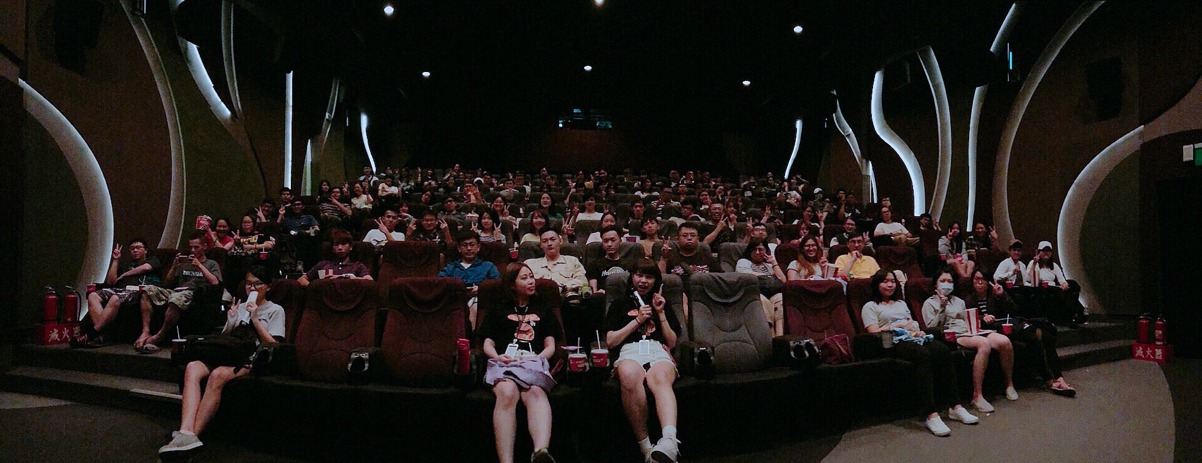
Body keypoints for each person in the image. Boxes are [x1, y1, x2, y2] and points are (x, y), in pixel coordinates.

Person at [158, 266, 285, 457]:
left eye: (258, 284)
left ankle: (191, 435)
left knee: (217, 375)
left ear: (268, 286)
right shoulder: (239, 305)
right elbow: (226, 340)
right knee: (192, 367)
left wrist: (255, 319)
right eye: (249, 284)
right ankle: (186, 431)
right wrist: (231, 321)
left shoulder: (275, 310)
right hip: (228, 354)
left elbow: (274, 344)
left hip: (250, 358)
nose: (252, 288)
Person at [860, 270, 978, 436]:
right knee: (923, 354)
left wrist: (917, 331)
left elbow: (911, 323)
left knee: (942, 350)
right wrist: (896, 326)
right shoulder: (870, 306)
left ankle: (955, 406)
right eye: (885, 281)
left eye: (892, 281)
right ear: (876, 285)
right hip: (891, 342)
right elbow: (873, 331)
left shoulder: (901, 303)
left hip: (912, 336)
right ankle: (930, 414)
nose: (890, 285)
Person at [479, 263, 562, 463]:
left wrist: (538, 358)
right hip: (504, 362)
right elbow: (487, 344)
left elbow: (550, 346)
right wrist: (497, 357)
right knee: (507, 392)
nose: (531, 281)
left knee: (536, 392)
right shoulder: (498, 309)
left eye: (531, 276)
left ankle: (541, 452)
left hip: (532, 361)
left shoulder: (543, 309)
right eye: (524, 278)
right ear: (512, 285)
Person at [604, 261, 682, 463]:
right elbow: (610, 341)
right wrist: (637, 321)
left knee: (661, 377)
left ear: (656, 281)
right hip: (630, 350)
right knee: (629, 375)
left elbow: (672, 342)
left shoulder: (662, 303)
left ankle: (669, 442)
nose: (643, 281)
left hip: (657, 349)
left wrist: (660, 313)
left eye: (649, 277)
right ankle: (647, 449)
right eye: (639, 275)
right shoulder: (619, 303)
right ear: (632, 277)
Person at [964, 268, 1076, 397]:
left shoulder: (994, 295)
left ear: (988, 282)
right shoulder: (969, 299)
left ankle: (1058, 377)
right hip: (995, 331)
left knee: (1046, 337)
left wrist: (1002, 295)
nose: (980, 282)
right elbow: (969, 317)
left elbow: (1013, 310)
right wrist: (983, 317)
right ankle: (1050, 380)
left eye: (983, 279)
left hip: (1011, 325)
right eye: (977, 279)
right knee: (1033, 340)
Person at [923, 268, 1017, 413]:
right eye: (943, 281)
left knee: (1004, 341)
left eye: (950, 281)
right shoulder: (929, 303)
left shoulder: (959, 301)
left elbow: (968, 319)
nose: (946, 284)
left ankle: (1009, 384)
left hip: (971, 330)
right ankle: (977, 396)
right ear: (936, 284)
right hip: (954, 334)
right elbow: (931, 327)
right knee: (984, 343)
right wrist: (942, 307)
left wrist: (980, 326)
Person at [137, 231, 223, 352]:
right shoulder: (185, 263)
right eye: (191, 247)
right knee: (147, 290)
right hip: (176, 291)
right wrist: (174, 267)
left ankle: (160, 335)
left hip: (193, 294)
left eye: (196, 247)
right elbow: (167, 283)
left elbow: (215, 282)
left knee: (176, 299)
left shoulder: (211, 264)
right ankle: (145, 331)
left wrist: (199, 265)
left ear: (204, 247)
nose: (192, 250)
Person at [74, 239, 162, 347]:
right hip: (119, 289)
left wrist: (125, 274)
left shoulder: (153, 260)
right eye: (132, 249)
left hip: (136, 291)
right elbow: (111, 281)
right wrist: (115, 260)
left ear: (146, 250)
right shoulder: (126, 264)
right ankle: (104, 335)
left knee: (114, 298)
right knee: (93, 296)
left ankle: (91, 335)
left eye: (138, 247)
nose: (135, 250)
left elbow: (146, 268)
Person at [439, 232, 501, 329]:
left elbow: (498, 284)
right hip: (456, 301)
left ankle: (471, 336)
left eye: (472, 245)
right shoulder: (451, 268)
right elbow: (439, 283)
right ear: (459, 249)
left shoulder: (488, 266)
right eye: (465, 245)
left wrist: (481, 289)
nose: (468, 248)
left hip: (478, 300)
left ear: (478, 247)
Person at [735, 237, 786, 336]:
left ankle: (780, 336)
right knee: (762, 300)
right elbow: (748, 276)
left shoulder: (769, 266)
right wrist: (770, 277)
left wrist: (774, 263)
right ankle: (771, 336)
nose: (757, 252)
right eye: (754, 249)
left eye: (760, 249)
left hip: (772, 293)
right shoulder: (743, 262)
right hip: (755, 293)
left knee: (781, 299)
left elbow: (783, 280)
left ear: (766, 251)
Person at [297, 230, 372, 287]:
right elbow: (301, 279)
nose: (340, 248)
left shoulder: (357, 266)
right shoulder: (323, 264)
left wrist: (346, 277)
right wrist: (314, 288)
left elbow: (369, 280)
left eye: (343, 244)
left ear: (350, 247)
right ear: (332, 248)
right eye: (336, 244)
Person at [525, 228, 588, 294]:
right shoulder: (530, 264)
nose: (549, 243)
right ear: (541, 245)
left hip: (566, 296)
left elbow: (582, 280)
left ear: (560, 241)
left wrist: (564, 288)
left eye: (553, 239)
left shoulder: (572, 261)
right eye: (545, 241)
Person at [588, 226, 637, 294]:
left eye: (613, 240)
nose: (609, 244)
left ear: (620, 241)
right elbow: (594, 292)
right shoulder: (594, 265)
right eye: (605, 241)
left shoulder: (630, 264)